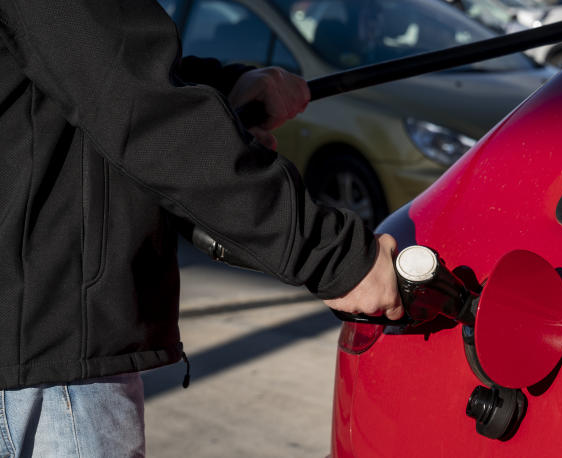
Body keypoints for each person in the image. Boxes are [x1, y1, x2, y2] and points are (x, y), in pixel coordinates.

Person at [0, 0, 403, 455]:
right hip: (47, 363)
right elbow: (144, 112)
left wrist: (225, 86)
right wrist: (337, 260)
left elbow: (87, 66)